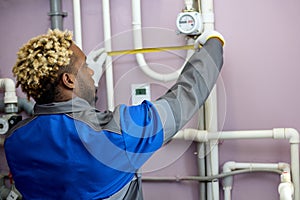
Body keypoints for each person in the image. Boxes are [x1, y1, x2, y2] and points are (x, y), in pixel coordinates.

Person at [4, 29, 224, 199]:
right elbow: (183, 99)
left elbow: (68, 125)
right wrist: (213, 44)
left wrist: (89, 88)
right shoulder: (118, 133)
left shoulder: (14, 141)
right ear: (69, 80)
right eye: (85, 67)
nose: (91, 72)